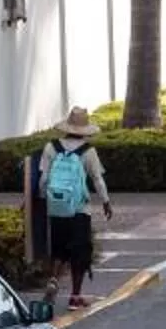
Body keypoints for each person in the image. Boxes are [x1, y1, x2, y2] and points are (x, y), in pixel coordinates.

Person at [34, 107, 116, 309]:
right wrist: (106, 202)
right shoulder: (88, 151)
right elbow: (97, 179)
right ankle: (75, 296)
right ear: (85, 129)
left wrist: (45, 200)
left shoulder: (51, 147)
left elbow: (43, 179)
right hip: (79, 209)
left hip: (56, 207)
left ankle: (53, 279)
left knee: (59, 248)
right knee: (79, 251)